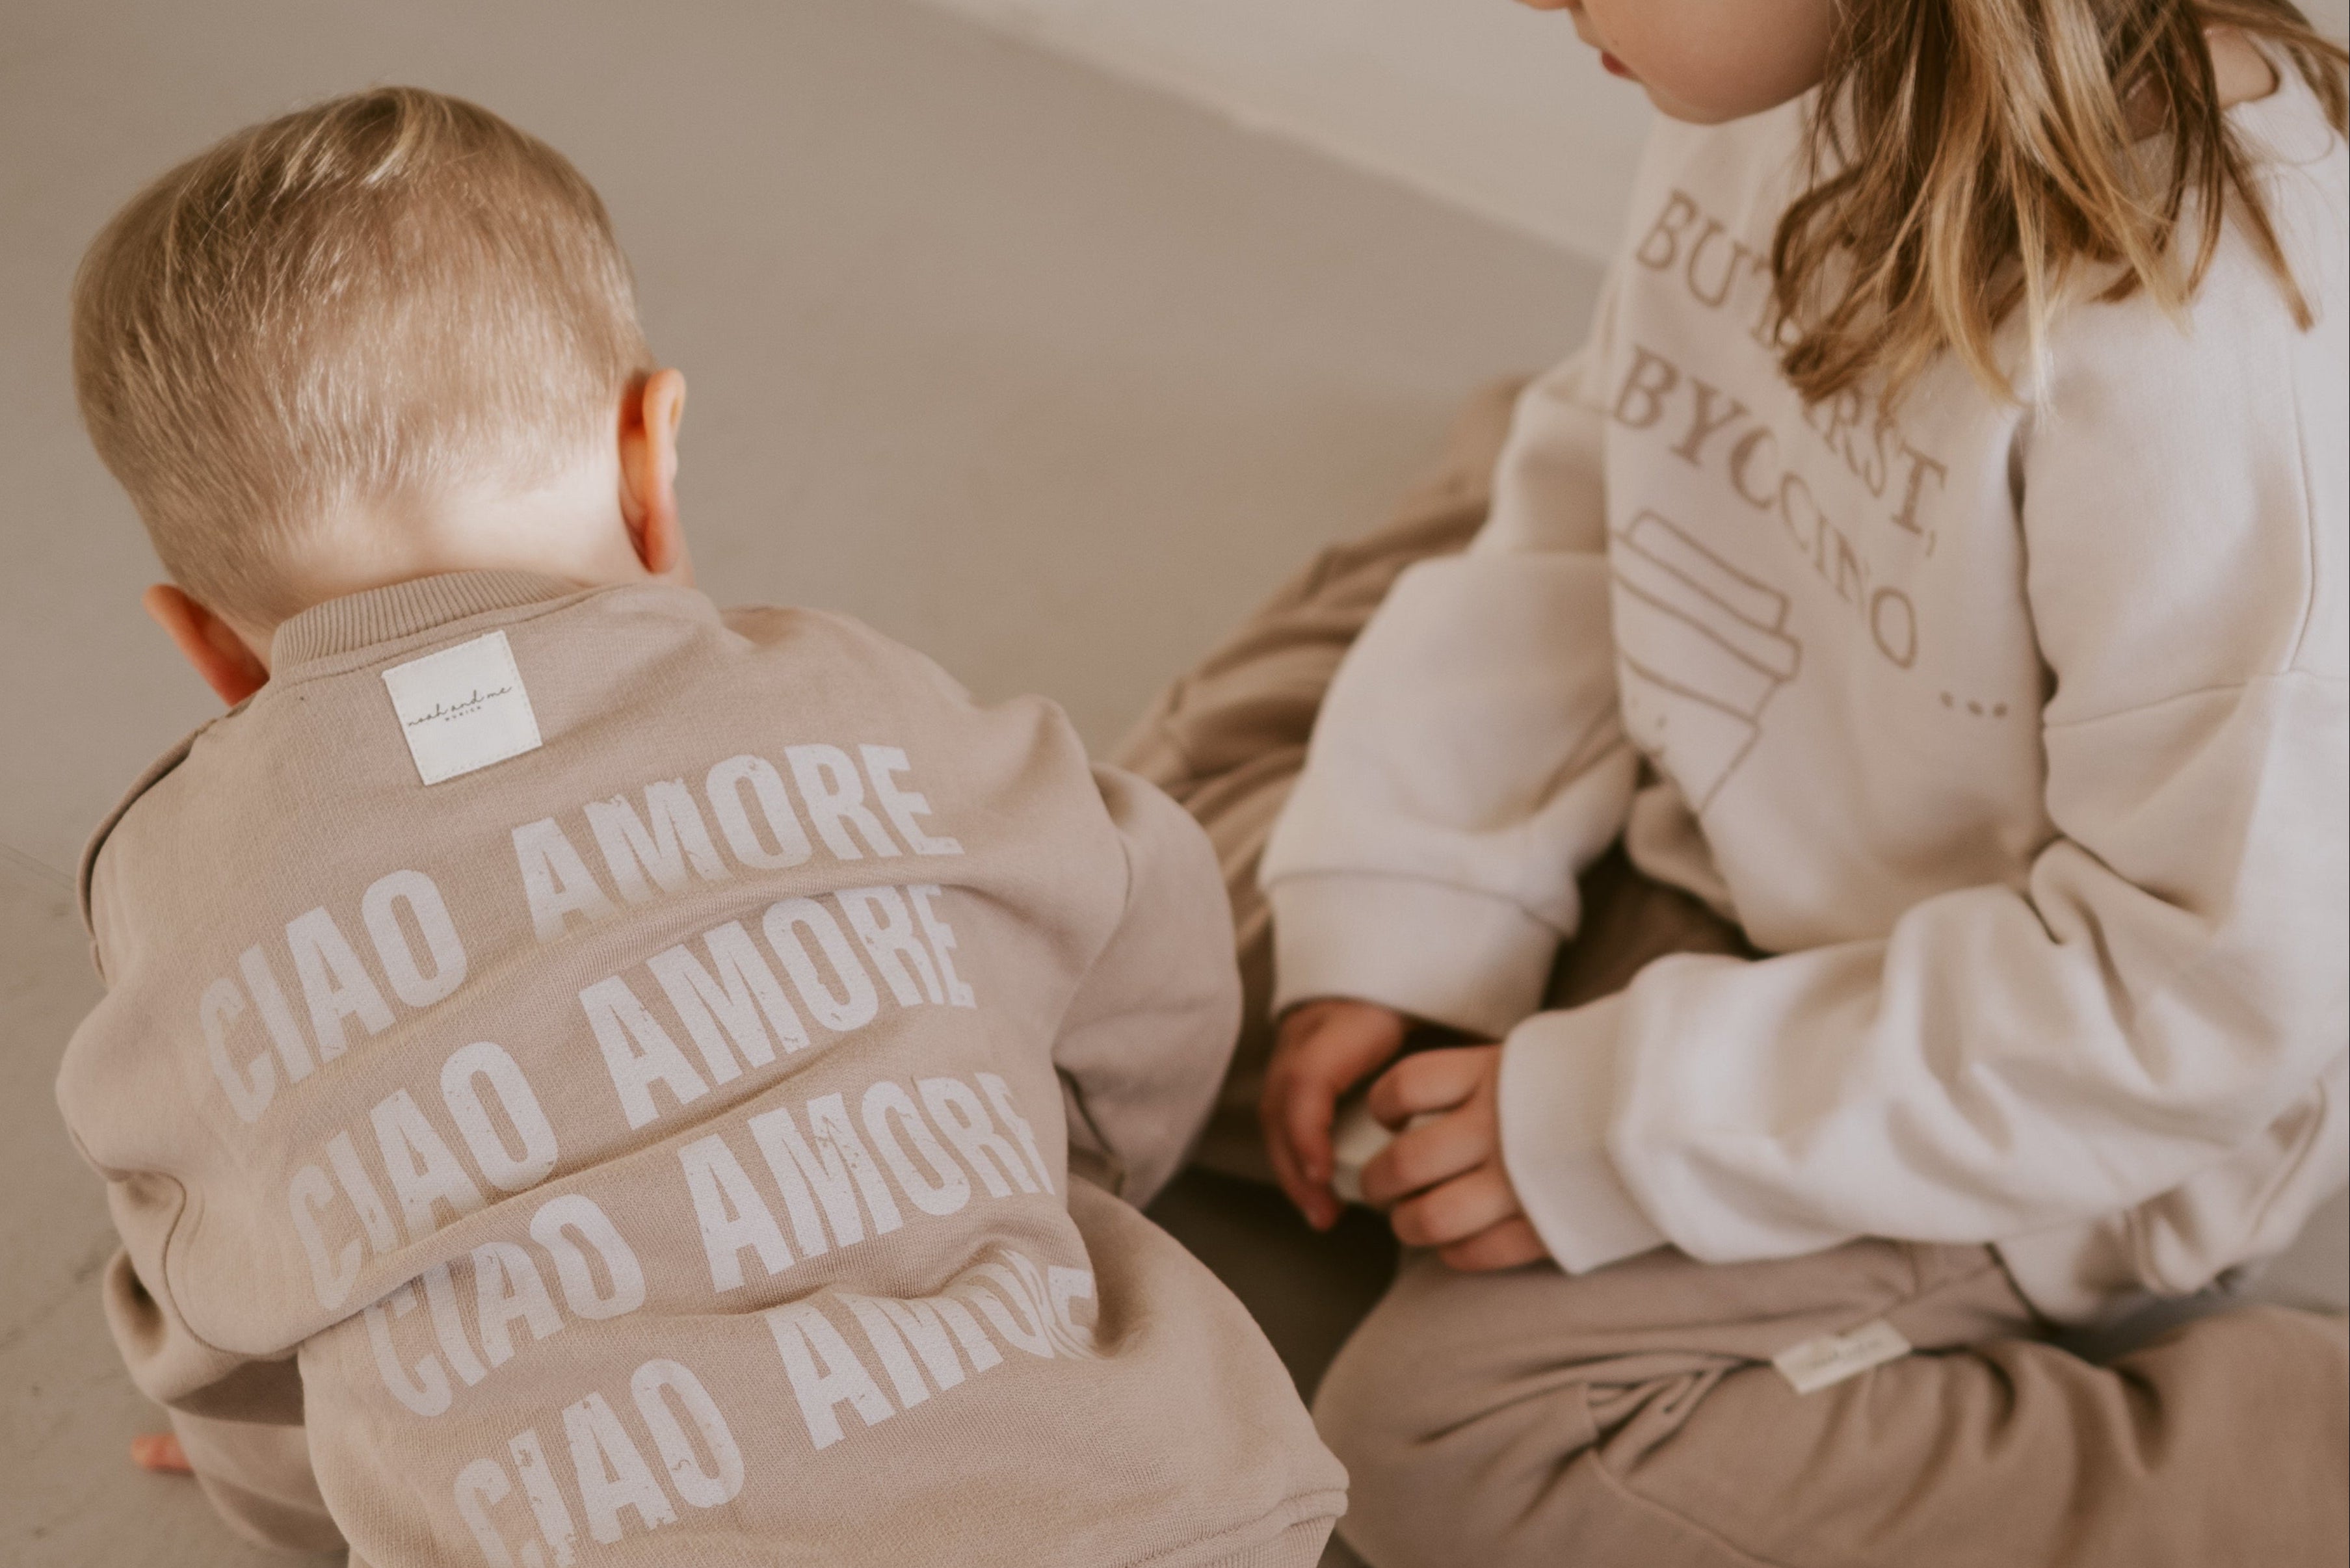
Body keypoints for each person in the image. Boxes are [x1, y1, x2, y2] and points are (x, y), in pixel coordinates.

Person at [1121, 2, 2350, 1564]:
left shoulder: (2205, 364)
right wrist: (1409, 906)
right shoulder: (1789, 72)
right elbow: (1624, 486)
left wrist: (1620, 1124)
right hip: (1713, 808)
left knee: (1447, 1444)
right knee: (1114, 958)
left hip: (2034, 1077)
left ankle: (2289, 1465)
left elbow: (2190, 1005)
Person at [58, 87, 1343, 1568]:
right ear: (648, 456)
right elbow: (1146, 918)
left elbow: (214, 1298)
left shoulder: (173, 893)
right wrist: (1084, 1160)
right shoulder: (852, 696)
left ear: (207, 649)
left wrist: (298, 1494)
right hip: (1143, 1526)